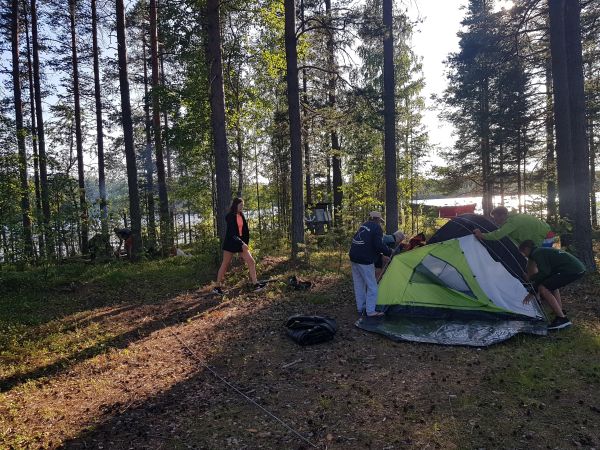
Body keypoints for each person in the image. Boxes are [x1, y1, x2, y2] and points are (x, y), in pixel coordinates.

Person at [519, 240, 585, 330]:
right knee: (552, 286)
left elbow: (544, 273)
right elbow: (546, 273)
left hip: (571, 270)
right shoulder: (541, 251)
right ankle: (560, 311)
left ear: (527, 249)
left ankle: (562, 320)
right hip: (577, 268)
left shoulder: (537, 253)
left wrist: (533, 289)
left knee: (543, 288)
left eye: (523, 252)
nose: (524, 255)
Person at [212, 198, 265, 294]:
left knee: (251, 261)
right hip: (231, 243)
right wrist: (242, 243)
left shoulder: (241, 215)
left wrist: (245, 244)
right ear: (235, 205)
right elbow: (232, 233)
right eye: (240, 205)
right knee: (225, 264)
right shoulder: (230, 216)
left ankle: (256, 284)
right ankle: (217, 287)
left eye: (243, 205)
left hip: (241, 243)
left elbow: (244, 231)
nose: (242, 207)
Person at [349, 211, 393, 317]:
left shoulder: (363, 226)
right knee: (372, 286)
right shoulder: (377, 228)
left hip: (353, 257)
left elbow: (364, 242)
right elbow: (378, 245)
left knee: (359, 284)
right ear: (377, 220)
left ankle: (361, 308)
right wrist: (389, 251)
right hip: (364, 259)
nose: (380, 223)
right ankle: (370, 311)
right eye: (380, 221)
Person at [473, 206, 551, 247]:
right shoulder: (514, 217)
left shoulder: (512, 222)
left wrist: (482, 235)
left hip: (545, 239)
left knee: (541, 260)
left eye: (496, 218)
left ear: (503, 215)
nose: (495, 221)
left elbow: (498, 235)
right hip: (547, 236)